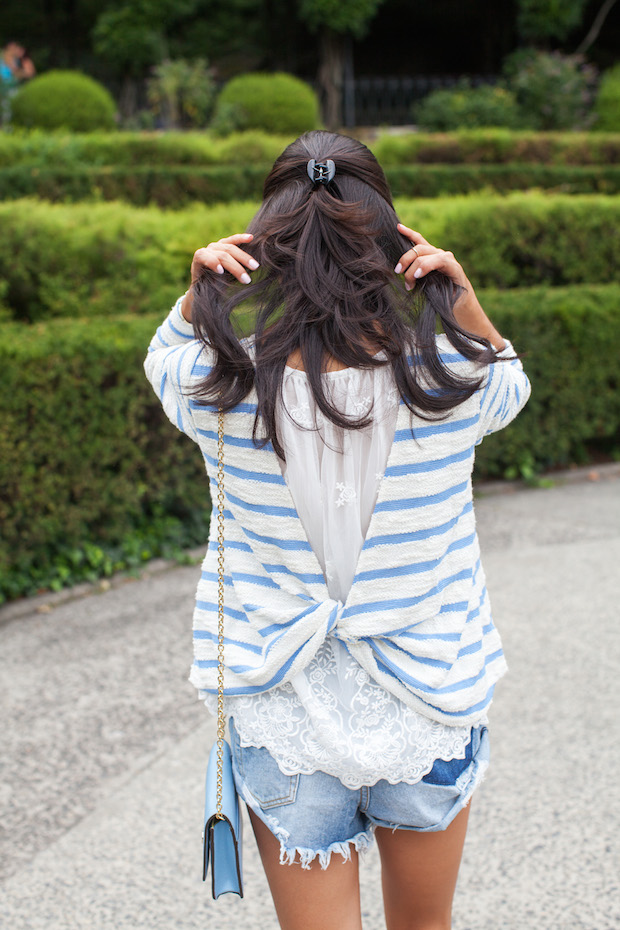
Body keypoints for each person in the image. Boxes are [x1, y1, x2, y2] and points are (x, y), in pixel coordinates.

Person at [144, 130, 530, 930]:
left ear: (266, 252)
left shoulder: (218, 385)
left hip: (284, 703)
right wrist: (459, 299)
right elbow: (510, 380)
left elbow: (164, 356)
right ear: (391, 246)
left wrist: (197, 295)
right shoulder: (451, 381)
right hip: (428, 696)